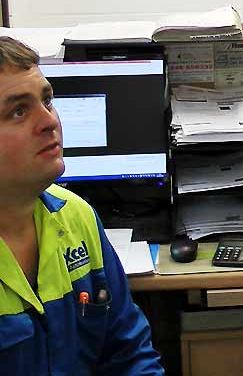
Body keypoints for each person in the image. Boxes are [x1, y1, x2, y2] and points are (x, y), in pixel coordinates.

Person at [0, 36, 164, 375]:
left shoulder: (75, 215)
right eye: (18, 111)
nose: (49, 122)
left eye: (47, 101)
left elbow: (129, 352)